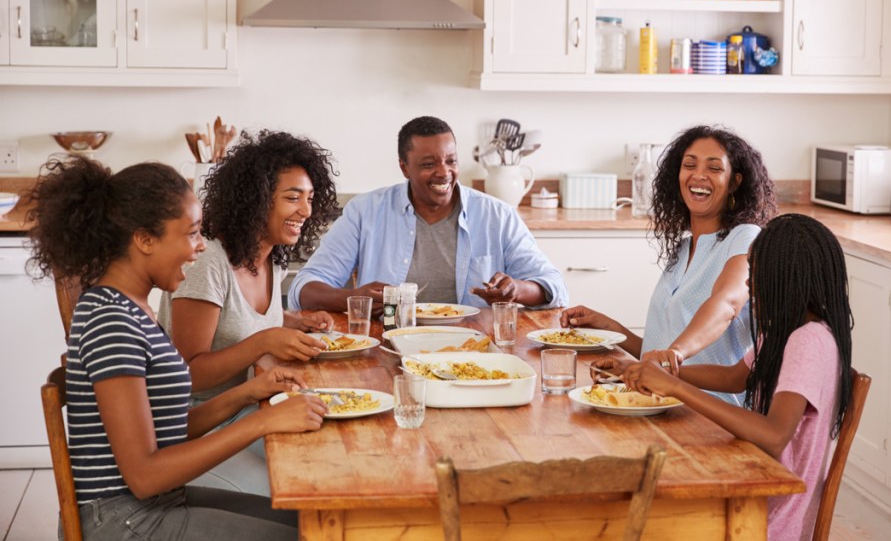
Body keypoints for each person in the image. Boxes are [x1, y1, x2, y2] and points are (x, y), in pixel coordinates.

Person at [27, 157, 326, 540]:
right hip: (124, 521)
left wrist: (248, 393)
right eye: (191, 234)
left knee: (311, 522)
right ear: (144, 239)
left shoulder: (134, 309)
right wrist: (262, 421)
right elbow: (145, 475)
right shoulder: (110, 321)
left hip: (155, 506)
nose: (200, 247)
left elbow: (167, 430)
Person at [617, 214, 855, 541]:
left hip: (768, 519)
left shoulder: (808, 341)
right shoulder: (785, 331)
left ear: (785, 278)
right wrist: (662, 371)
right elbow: (734, 378)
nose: (749, 285)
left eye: (755, 275)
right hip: (755, 491)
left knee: (642, 518)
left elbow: (773, 435)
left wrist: (675, 386)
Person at [561, 124, 776, 404]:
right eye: (689, 165)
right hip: (664, 404)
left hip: (712, 415)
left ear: (735, 182)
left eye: (714, 168)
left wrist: (674, 353)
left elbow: (727, 304)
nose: (698, 175)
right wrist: (610, 328)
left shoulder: (745, 237)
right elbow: (659, 355)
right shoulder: (683, 249)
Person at [289, 116, 568, 311]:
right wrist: (352, 298)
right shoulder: (365, 211)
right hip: (389, 345)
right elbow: (303, 289)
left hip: (476, 348)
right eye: (428, 164)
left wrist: (517, 290)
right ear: (404, 167)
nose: (444, 172)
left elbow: (555, 287)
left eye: (451, 161)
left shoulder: (498, 215)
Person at [158, 130, 339, 402]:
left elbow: (236, 320)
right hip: (201, 417)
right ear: (257, 199)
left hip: (254, 402)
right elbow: (188, 374)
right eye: (293, 198)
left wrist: (296, 323)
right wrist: (265, 341)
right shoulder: (207, 261)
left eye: (310, 198)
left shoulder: (271, 255)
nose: (307, 211)